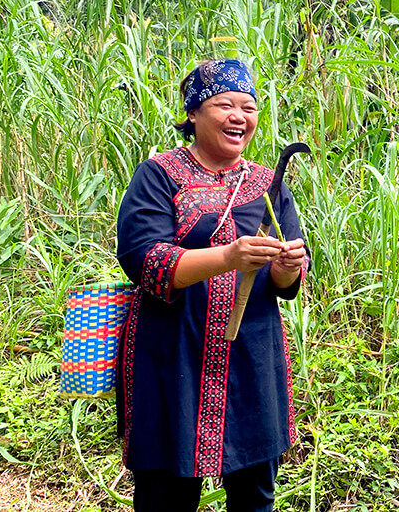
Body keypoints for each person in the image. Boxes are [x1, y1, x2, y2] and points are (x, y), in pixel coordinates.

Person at [116, 59, 309, 512]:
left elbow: (287, 283)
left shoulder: (267, 184)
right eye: (225, 104)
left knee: (254, 494)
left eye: (248, 106)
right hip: (172, 354)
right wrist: (228, 257)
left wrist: (286, 266)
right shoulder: (159, 175)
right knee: (166, 494)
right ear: (194, 114)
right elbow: (145, 260)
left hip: (249, 358)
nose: (239, 115)